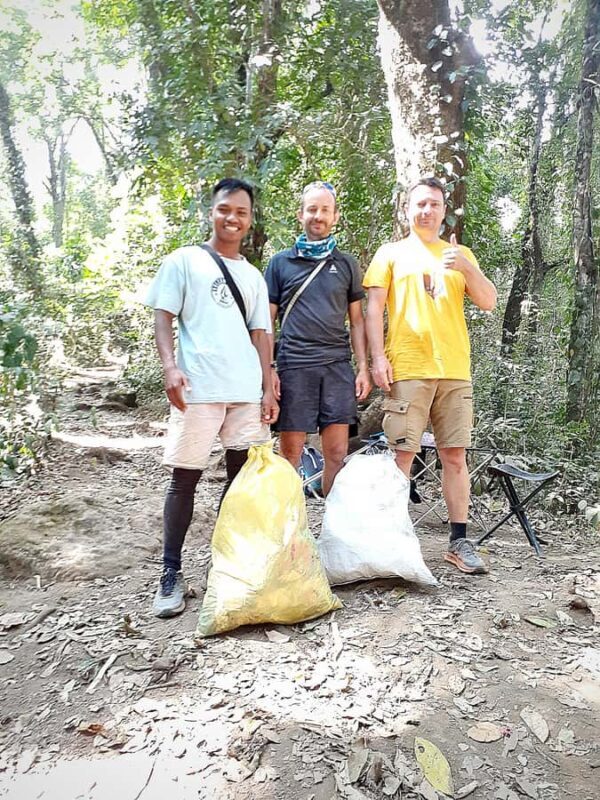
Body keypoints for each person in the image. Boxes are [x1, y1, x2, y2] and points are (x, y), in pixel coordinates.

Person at [145, 178, 278, 617]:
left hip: (244, 392)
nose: (232, 218)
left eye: (241, 212)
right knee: (184, 479)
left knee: (240, 484)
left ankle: (227, 567)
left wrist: (267, 386)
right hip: (198, 389)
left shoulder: (252, 275)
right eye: (225, 209)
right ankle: (170, 572)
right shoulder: (184, 261)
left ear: (249, 219)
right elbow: (164, 316)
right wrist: (170, 366)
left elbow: (261, 334)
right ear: (212, 211)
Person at [364, 176, 497, 574]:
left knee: (454, 455)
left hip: (454, 370)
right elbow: (373, 308)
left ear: (443, 211)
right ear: (408, 209)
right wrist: (376, 359)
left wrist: (467, 267)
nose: (427, 210)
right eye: (420, 203)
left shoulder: (460, 254)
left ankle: (459, 541)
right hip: (408, 367)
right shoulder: (390, 253)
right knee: (402, 454)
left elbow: (488, 301)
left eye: (434, 204)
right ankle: (390, 540)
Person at [265, 181, 370, 496]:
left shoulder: (347, 264)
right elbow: (266, 323)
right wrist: (269, 369)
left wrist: (363, 368)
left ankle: (331, 525)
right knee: (290, 454)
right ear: (301, 214)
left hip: (337, 367)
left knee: (336, 453)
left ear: (335, 216)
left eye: (325, 210)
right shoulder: (280, 263)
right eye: (312, 209)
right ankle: (286, 524)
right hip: (293, 366)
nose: (318, 216)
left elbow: (357, 321)